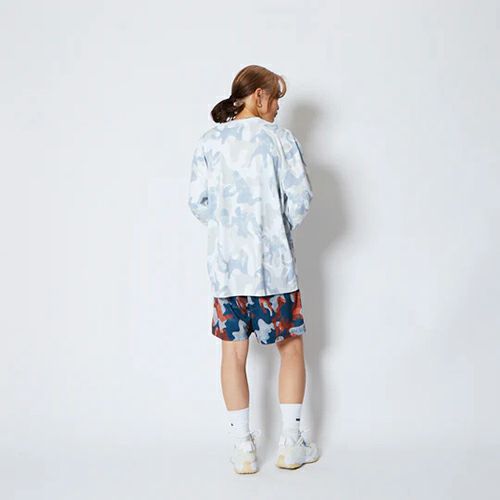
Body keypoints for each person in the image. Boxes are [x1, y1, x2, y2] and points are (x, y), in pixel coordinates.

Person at [188, 64, 320, 473]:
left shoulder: (210, 142)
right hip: (274, 269)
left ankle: (243, 448)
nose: (278, 107)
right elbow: (301, 200)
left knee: (232, 353)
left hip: (228, 271)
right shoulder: (280, 140)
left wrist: (230, 229)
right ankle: (292, 444)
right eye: (275, 98)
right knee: (291, 348)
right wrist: (273, 229)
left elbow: (198, 203)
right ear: (259, 95)